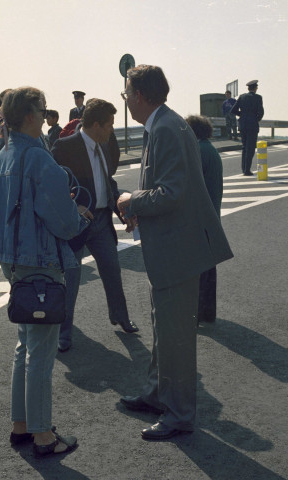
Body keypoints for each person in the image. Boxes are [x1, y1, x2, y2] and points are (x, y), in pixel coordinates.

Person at [117, 65, 233, 441]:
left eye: (126, 93)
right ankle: (156, 393)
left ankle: (179, 413)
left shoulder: (165, 128)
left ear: (140, 95)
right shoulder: (166, 123)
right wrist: (139, 211)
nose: (125, 99)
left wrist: (130, 200)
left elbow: (170, 193)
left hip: (178, 251)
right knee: (163, 330)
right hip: (174, 247)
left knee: (176, 338)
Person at [0, 86, 85, 457]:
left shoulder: (0, 161)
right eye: (41, 109)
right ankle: (43, 435)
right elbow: (64, 222)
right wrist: (76, 215)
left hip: (12, 262)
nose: (45, 114)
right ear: (29, 115)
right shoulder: (40, 161)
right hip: (41, 261)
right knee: (41, 352)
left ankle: (21, 425)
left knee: (25, 345)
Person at [52, 98, 138, 352]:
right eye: (110, 124)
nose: (113, 129)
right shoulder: (64, 147)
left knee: (112, 271)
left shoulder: (106, 144)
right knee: (72, 279)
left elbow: (107, 182)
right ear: (97, 125)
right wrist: (72, 206)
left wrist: (120, 209)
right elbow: (54, 185)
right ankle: (63, 333)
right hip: (76, 223)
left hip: (101, 221)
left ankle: (121, 317)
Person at [186, 115, 223, 324]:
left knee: (198, 269)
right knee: (208, 268)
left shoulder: (198, 151)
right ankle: (207, 313)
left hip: (200, 218)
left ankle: (198, 313)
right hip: (212, 215)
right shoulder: (210, 149)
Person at [231, 80, 264, 176]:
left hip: (242, 124)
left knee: (244, 147)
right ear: (255, 88)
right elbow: (261, 112)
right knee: (251, 148)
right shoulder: (258, 97)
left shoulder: (242, 97)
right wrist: (255, 119)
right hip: (252, 125)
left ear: (248, 88)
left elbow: (233, 110)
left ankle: (244, 168)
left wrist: (242, 115)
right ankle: (247, 170)